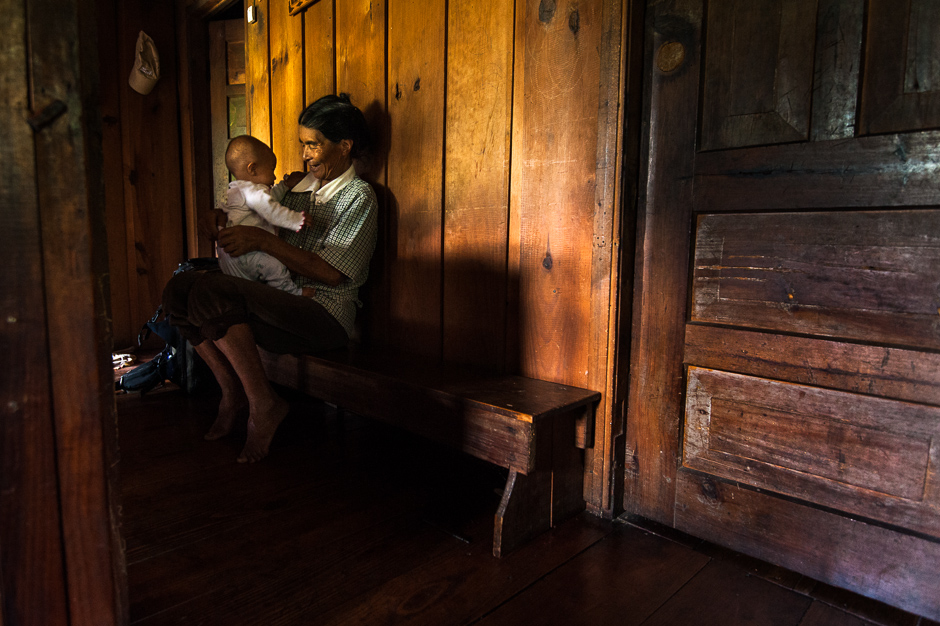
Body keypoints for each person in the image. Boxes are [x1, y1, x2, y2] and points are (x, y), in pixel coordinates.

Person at [162, 93, 377, 463]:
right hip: (277, 298)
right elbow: (252, 210)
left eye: (314, 144)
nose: (306, 154)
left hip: (322, 312)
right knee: (179, 288)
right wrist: (218, 216)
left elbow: (332, 273)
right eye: (303, 145)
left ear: (345, 146)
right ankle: (232, 391)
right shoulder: (296, 190)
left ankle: (264, 404)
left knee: (214, 291)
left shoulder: (359, 198)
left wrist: (261, 240)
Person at [216, 134, 306, 296]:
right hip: (248, 254)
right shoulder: (253, 191)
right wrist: (297, 220)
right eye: (272, 169)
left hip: (228, 259)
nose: (274, 176)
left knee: (245, 290)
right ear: (253, 169)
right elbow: (270, 211)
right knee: (275, 267)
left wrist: (284, 186)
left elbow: (269, 200)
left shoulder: (236, 191)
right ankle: (294, 293)